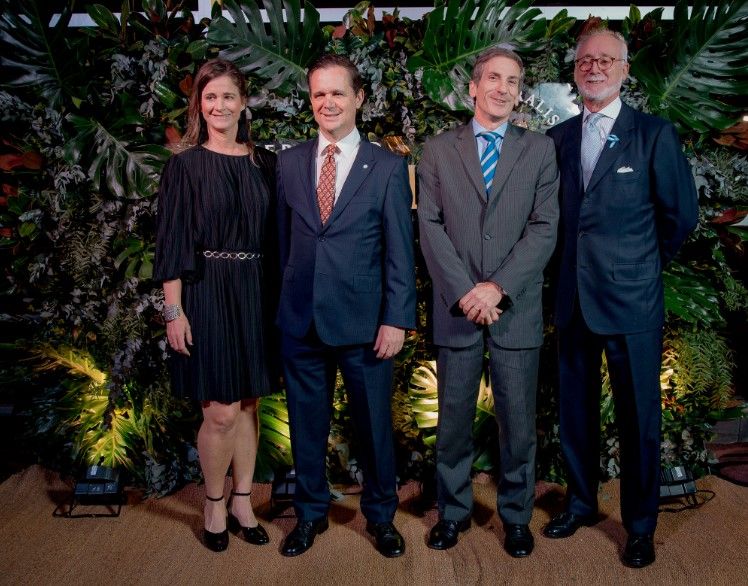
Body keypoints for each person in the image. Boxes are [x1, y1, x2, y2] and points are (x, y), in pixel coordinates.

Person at [543, 28, 698, 568]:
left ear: (625, 70)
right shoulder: (558, 138)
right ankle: (582, 502)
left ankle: (639, 526)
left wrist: (641, 267)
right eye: (586, 59)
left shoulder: (654, 134)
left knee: (638, 419)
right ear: (575, 70)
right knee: (576, 414)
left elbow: (680, 216)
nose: (595, 67)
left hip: (632, 302)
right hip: (572, 301)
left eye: (606, 59)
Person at [417, 46, 560, 557]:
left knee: (518, 423)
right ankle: (452, 513)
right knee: (452, 419)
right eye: (494, 78)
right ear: (473, 87)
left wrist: (497, 287)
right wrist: (466, 290)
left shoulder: (540, 150)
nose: (503, 88)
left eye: (513, 81)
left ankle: (516, 516)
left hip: (514, 308)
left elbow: (545, 228)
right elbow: (429, 225)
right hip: (458, 309)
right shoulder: (437, 150)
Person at [275, 54, 416, 558]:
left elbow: (401, 248)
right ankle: (310, 514)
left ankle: (381, 517)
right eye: (319, 94)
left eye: (338, 93)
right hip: (301, 319)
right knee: (305, 425)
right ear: (310, 101)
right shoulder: (289, 162)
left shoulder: (388, 166)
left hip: (366, 322)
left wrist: (397, 318)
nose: (328, 103)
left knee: (375, 427)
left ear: (358, 98)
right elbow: (281, 243)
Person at [153, 58, 278, 552]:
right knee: (220, 413)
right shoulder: (184, 166)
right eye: (210, 97)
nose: (219, 105)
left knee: (249, 404)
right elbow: (171, 242)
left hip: (257, 290)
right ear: (198, 106)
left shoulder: (264, 162)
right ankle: (213, 501)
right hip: (206, 292)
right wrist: (173, 310)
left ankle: (243, 500)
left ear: (243, 102)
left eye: (228, 96)